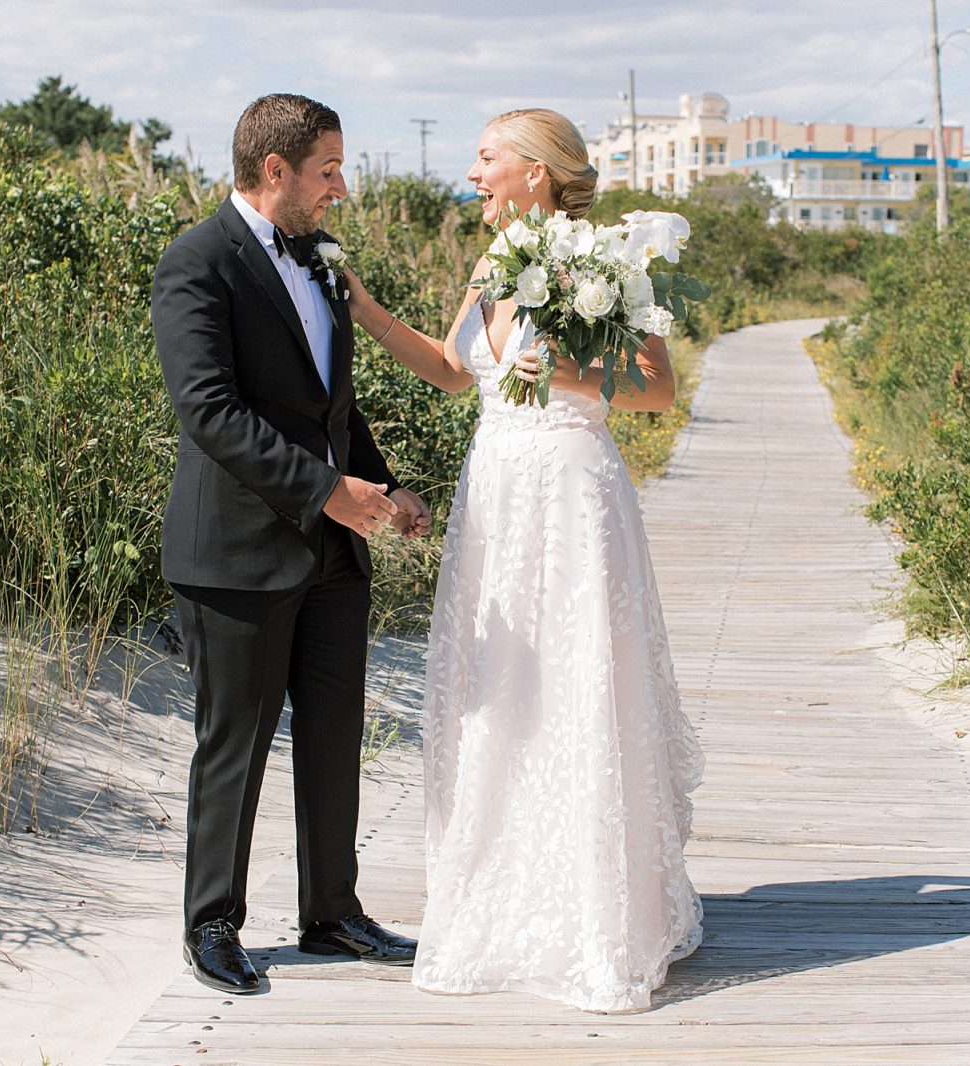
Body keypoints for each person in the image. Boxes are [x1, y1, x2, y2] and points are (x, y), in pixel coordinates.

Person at [343, 108, 704, 1013]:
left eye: (487, 155)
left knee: (575, 682)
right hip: (497, 492)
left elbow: (658, 389)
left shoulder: (606, 260)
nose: (474, 171)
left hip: (573, 494)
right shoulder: (492, 262)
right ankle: (501, 884)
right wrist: (360, 305)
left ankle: (599, 912)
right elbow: (457, 369)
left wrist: (567, 373)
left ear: (535, 171)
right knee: (502, 685)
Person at [151, 93, 432, 995]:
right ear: (275, 171)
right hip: (235, 551)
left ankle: (332, 914)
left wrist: (383, 488)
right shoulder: (196, 264)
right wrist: (325, 493)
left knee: (336, 735)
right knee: (233, 740)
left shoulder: (320, 264)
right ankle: (212, 925)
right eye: (328, 170)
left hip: (334, 554)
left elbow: (327, 409)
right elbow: (210, 411)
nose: (340, 189)